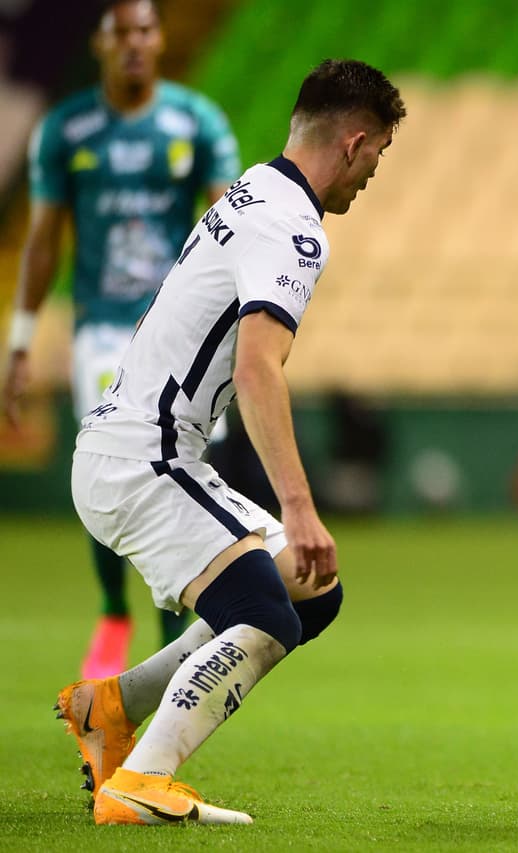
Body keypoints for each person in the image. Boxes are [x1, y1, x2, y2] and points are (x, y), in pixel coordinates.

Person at [54, 57, 405, 825]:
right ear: (353, 141)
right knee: (269, 614)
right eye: (379, 150)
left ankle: (110, 708)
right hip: (144, 459)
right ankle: (142, 779)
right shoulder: (294, 229)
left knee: (310, 595)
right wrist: (300, 505)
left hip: (137, 447)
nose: (375, 170)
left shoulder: (256, 187)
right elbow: (257, 370)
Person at [2, 0, 241, 679]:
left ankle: (171, 633)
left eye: (146, 30)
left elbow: (225, 223)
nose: (136, 43)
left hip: (172, 329)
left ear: (160, 40)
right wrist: (21, 340)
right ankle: (114, 607)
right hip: (103, 328)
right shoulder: (68, 128)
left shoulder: (195, 122)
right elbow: (44, 240)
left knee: (184, 470)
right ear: (101, 44)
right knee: (112, 461)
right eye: (121, 33)